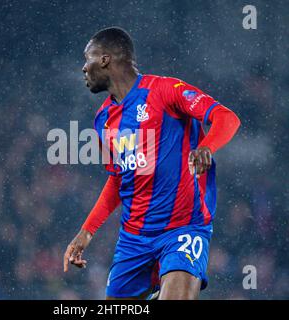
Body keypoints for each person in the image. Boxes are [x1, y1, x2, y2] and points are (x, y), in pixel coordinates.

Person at [63, 26, 241, 300]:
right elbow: (118, 180)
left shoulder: (165, 91)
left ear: (105, 59)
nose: (83, 69)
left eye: (87, 59)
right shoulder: (103, 120)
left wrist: (206, 147)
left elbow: (227, 118)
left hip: (183, 227)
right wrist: (86, 232)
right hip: (134, 238)